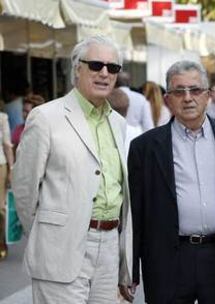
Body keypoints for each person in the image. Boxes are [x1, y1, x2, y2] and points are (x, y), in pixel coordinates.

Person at [128, 60, 215, 304]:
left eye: (195, 90)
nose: (188, 98)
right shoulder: (145, 147)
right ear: (168, 98)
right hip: (168, 260)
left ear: (208, 95)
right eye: (179, 91)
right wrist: (132, 268)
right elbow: (137, 213)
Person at [12, 36, 134, 304]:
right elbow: (23, 188)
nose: (104, 73)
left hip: (110, 247)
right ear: (77, 69)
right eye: (96, 65)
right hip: (61, 247)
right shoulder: (46, 117)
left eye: (112, 68)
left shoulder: (118, 123)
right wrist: (48, 233)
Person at [0, 99, 14, 260]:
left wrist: (11, 168)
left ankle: (1, 241)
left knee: (0, 207)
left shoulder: (2, 118)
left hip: (1, 165)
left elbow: (7, 144)